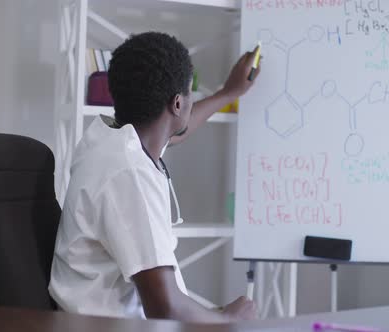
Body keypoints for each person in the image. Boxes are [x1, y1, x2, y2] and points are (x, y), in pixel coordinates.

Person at [48, 31, 261, 322]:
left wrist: (227, 93)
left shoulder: (109, 139)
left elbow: (175, 133)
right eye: (189, 93)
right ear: (176, 104)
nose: (189, 100)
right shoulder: (129, 174)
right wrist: (229, 320)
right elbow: (165, 309)